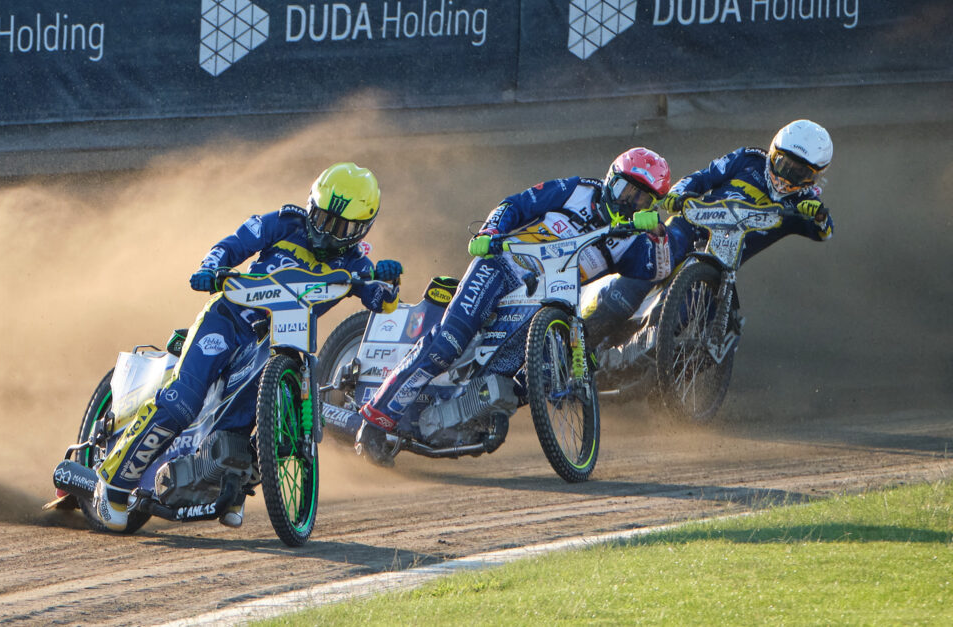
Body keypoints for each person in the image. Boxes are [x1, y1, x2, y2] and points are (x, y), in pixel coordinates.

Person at [92, 162, 403, 531]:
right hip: (227, 319)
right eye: (321, 217)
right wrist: (210, 268)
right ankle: (112, 484)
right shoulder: (284, 223)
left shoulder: (357, 266)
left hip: (276, 342)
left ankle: (231, 479)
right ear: (311, 205)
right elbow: (232, 245)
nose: (325, 231)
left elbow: (382, 301)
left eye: (340, 227)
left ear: (361, 229)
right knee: (182, 401)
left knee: (249, 413)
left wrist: (389, 280)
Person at [355, 147, 688, 466]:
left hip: (547, 300)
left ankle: (463, 416)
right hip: (502, 266)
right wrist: (490, 231)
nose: (628, 202)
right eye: (625, 190)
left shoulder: (631, 240)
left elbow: (658, 269)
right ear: (610, 179)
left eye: (641, 198)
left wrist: (659, 235)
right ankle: (375, 421)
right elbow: (515, 204)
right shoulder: (576, 190)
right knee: (449, 342)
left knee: (534, 375)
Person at [586, 119, 836, 354]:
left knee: (683, 313)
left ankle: (642, 359)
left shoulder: (805, 203)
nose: (787, 176)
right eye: (783, 164)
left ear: (815, 176)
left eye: (800, 173)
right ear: (773, 153)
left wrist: (818, 216)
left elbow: (824, 232)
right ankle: (585, 333)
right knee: (650, 266)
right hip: (687, 228)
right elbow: (702, 177)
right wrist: (677, 195)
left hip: (720, 263)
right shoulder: (748, 160)